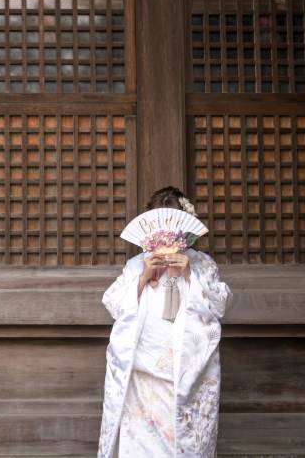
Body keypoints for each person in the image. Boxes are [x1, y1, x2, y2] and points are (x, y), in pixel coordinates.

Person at [97, 186, 233, 458]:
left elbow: (220, 305)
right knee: (140, 438)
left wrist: (190, 275)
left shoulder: (201, 263)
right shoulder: (138, 264)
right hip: (142, 364)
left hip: (185, 363)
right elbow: (113, 304)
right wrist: (143, 277)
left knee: (179, 435)